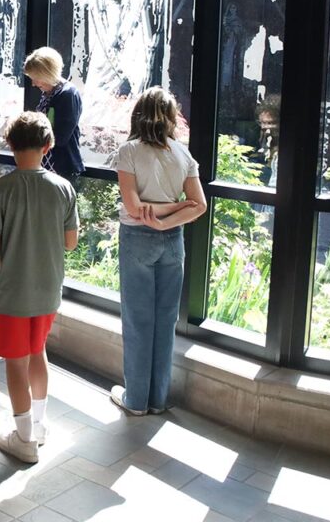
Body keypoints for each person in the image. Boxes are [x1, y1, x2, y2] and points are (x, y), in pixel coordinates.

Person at [0, 111, 79, 464]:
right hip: (48, 289)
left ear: (10, 145)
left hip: (15, 292)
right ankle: (40, 424)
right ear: (48, 145)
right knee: (38, 353)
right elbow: (71, 243)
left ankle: (24, 439)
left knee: (15, 364)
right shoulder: (63, 187)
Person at [109, 87, 206, 416]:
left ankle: (135, 400)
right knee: (165, 322)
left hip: (138, 238)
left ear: (138, 113)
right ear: (171, 117)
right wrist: (172, 215)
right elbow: (199, 205)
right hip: (173, 240)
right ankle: (157, 399)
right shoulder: (183, 154)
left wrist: (155, 217)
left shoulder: (129, 151)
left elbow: (133, 207)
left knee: (138, 321)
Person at [24, 47, 84, 181]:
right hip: (45, 165)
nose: (33, 83)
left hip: (61, 168)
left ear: (47, 73)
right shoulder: (48, 93)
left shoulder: (68, 94)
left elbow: (61, 137)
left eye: (35, 78)